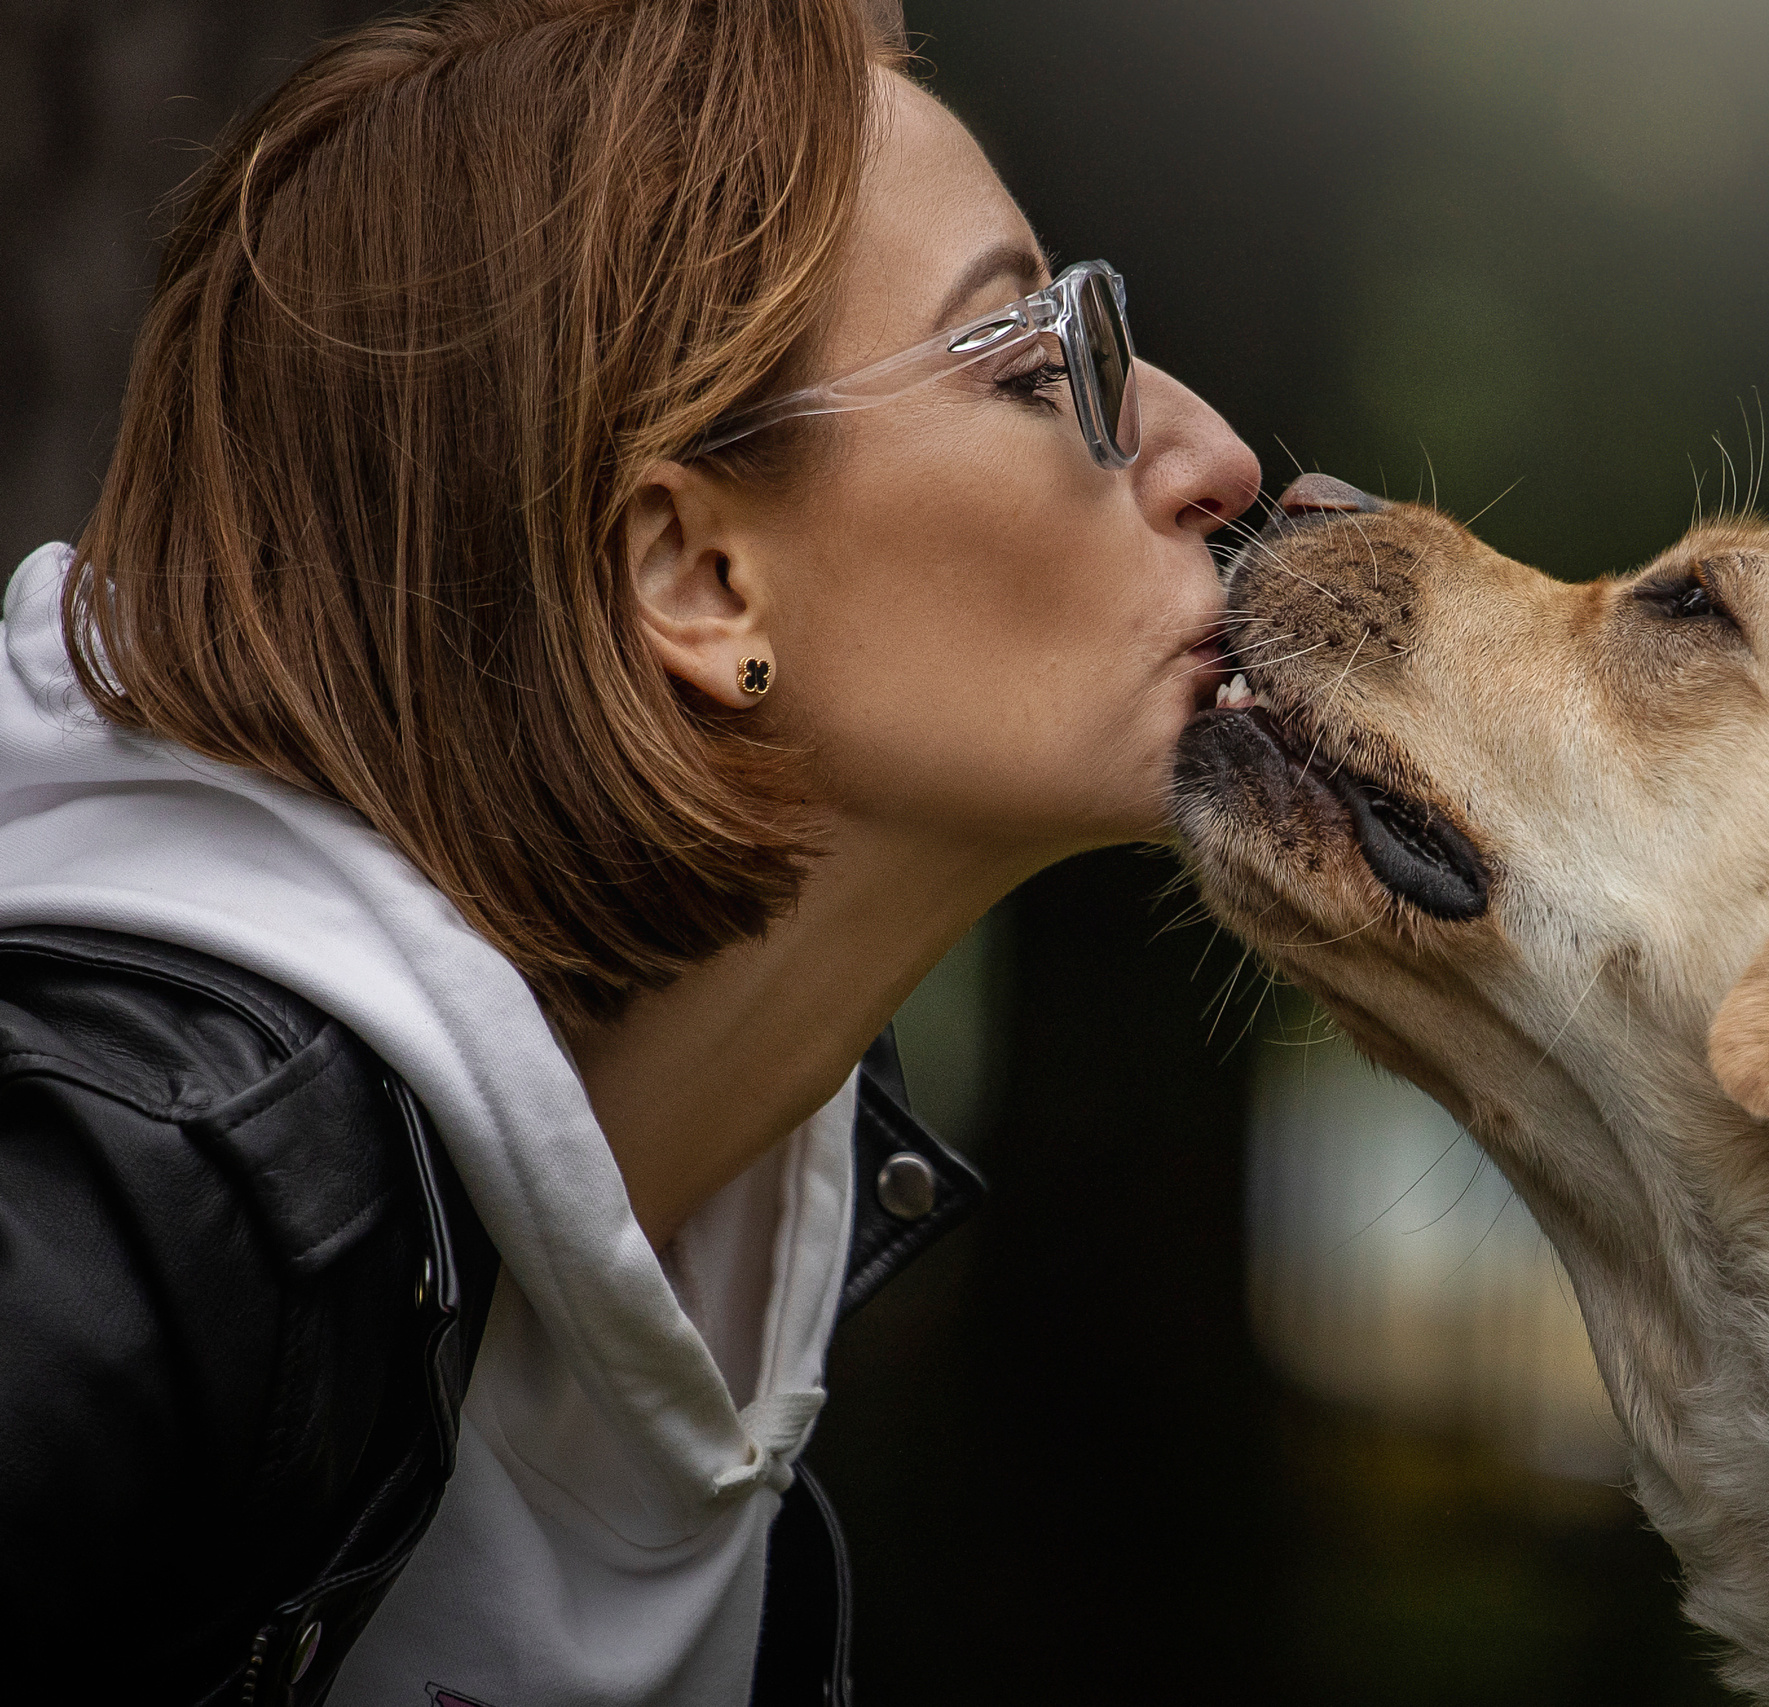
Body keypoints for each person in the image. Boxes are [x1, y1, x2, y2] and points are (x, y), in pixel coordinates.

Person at [0, 1, 1261, 1701]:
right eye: (1042, 368)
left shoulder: (755, 1243)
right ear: (695, 580)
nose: (1214, 460)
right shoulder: (107, 1224)